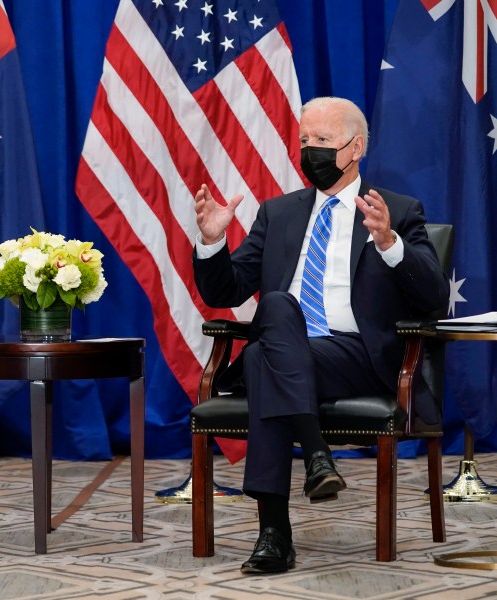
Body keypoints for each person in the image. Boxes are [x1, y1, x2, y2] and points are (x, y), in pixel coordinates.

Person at [192, 96, 449, 574]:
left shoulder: (395, 209)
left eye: (322, 141)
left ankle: (275, 532)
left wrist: (390, 245)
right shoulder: (278, 214)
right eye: (304, 140)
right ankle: (313, 458)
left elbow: (432, 296)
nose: (309, 150)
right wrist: (211, 242)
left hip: (356, 356)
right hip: (287, 349)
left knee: (264, 354)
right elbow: (224, 290)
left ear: (354, 148)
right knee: (276, 308)